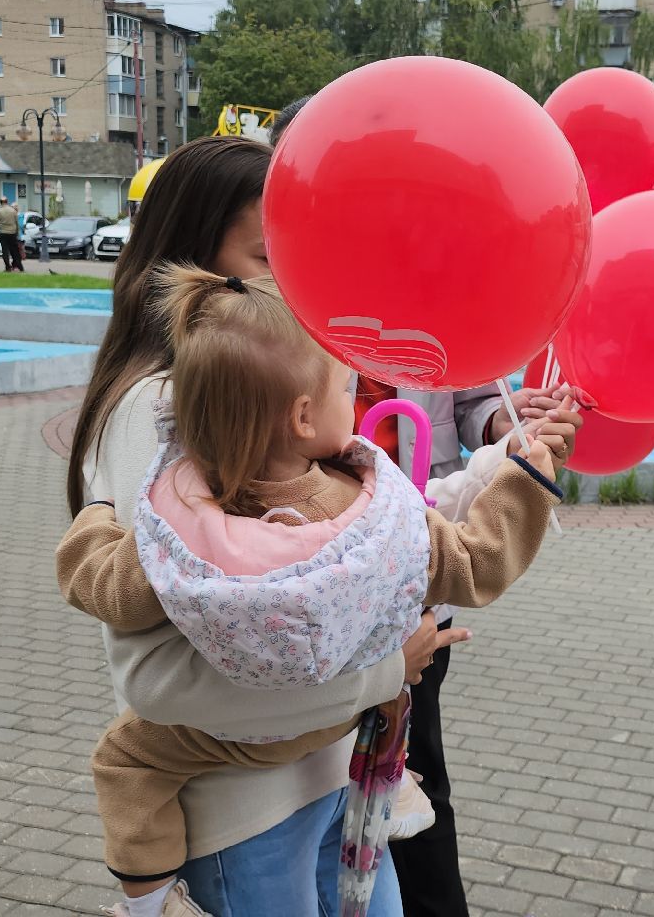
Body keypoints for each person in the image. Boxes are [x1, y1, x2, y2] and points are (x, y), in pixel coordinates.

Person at [63, 136, 560, 916]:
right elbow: (154, 678)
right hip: (248, 817)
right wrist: (384, 671)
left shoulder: (265, 410)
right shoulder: (162, 414)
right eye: (271, 258)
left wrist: (509, 469)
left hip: (334, 785)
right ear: (195, 263)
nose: (300, 284)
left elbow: (378, 530)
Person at [272, 95, 543, 917]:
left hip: (414, 559)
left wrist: (507, 422)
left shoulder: (426, 270)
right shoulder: (272, 287)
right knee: (310, 777)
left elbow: (471, 401)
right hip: (304, 559)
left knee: (412, 764)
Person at [0, 196, 25, 272]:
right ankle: (20, 266)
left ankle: (7, 267)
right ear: (7, 201)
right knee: (15, 251)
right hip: (12, 233)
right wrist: (17, 232)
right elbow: (17, 223)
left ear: (0, 202)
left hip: (3, 233)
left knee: (5, 251)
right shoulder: (13, 211)